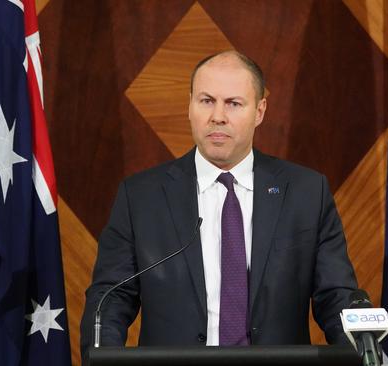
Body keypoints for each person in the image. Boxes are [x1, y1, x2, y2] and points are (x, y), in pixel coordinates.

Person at [80, 50, 359, 360]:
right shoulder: (141, 197)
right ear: (189, 106)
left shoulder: (306, 193)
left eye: (234, 103)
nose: (218, 116)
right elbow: (110, 299)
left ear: (260, 111)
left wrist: (360, 348)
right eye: (206, 101)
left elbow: (336, 297)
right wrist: (104, 356)